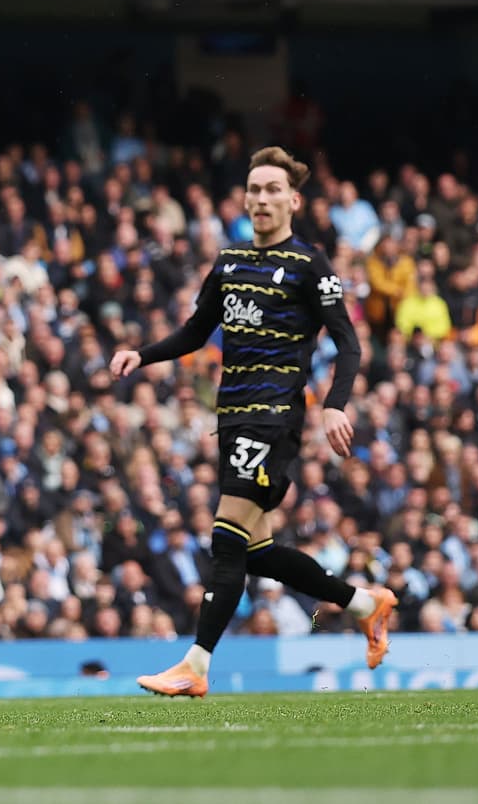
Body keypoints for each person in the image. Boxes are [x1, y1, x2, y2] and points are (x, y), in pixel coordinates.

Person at [112, 145, 396, 697]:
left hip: (274, 416)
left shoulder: (310, 265)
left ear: (293, 201)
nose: (262, 198)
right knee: (253, 549)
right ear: (245, 199)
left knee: (225, 536)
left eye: (273, 190)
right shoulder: (229, 262)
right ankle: (364, 603)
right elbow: (196, 332)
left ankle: (196, 665)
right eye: (254, 189)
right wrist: (140, 355)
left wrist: (334, 403)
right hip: (232, 418)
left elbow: (349, 343)